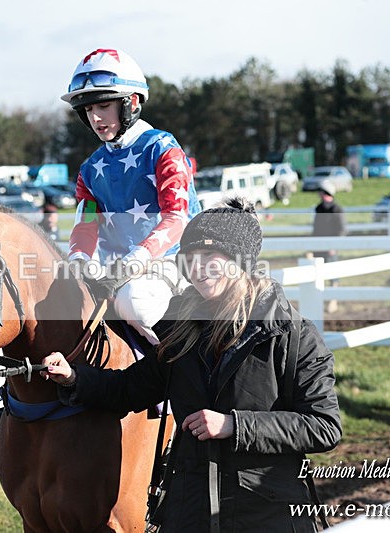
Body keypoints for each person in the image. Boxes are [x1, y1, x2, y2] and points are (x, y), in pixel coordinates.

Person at [41, 199, 341, 532]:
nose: (198, 269)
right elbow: (129, 389)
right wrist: (72, 377)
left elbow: (323, 425)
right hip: (188, 509)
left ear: (240, 261)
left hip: (268, 512)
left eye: (210, 257)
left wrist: (234, 426)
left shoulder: (291, 334)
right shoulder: (179, 331)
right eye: (190, 259)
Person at [61, 48, 201, 345]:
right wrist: (78, 260)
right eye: (87, 110)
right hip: (116, 266)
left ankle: (185, 375)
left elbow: (177, 219)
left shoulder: (163, 148)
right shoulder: (89, 169)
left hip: (175, 260)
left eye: (104, 106)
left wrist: (134, 261)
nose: (95, 117)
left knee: (136, 301)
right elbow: (86, 224)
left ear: (132, 102)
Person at [311, 180, 346, 313]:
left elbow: (341, 230)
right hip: (319, 246)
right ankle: (321, 298)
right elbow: (316, 228)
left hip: (331, 247)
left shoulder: (337, 210)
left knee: (333, 273)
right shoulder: (319, 209)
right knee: (319, 273)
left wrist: (335, 246)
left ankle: (333, 300)